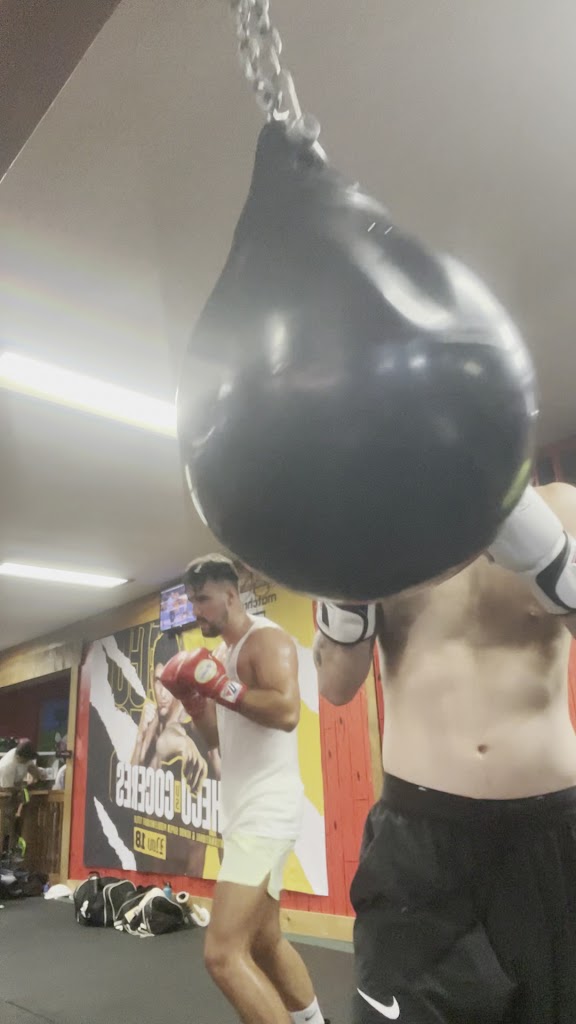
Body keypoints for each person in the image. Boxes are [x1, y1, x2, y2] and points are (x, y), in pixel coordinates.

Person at [314, 482, 576, 1023]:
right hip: (417, 846)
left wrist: (549, 558)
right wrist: (346, 590)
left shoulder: (564, 506)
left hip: (550, 837)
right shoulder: (376, 531)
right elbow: (336, 685)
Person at [161, 554, 328, 1024]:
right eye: (192, 601)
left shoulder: (267, 640)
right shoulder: (221, 657)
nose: (196, 610)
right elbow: (218, 737)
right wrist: (195, 701)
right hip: (242, 811)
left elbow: (287, 712)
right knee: (265, 941)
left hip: (265, 812)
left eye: (203, 599)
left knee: (222, 954)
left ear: (231, 596)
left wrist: (222, 689)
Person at [130, 633, 219, 877]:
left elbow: (173, 738)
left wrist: (183, 743)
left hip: (188, 869)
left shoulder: (194, 728)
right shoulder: (151, 727)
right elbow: (132, 787)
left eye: (169, 684)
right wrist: (140, 740)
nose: (162, 692)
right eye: (158, 682)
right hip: (153, 864)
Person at [0, 739, 50, 860]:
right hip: (4, 794)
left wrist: (39, 778)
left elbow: (31, 767)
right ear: (19, 757)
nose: (28, 760)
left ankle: (13, 850)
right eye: (27, 759)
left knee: (16, 824)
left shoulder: (25, 758)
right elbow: (7, 789)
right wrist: (22, 787)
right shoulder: (7, 766)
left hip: (15, 789)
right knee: (6, 826)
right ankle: (5, 854)